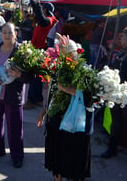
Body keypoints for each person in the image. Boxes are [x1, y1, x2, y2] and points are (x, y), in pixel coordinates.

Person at [36, 38, 93, 181]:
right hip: (57, 124)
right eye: (61, 52)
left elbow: (92, 98)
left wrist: (71, 91)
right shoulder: (56, 70)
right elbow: (52, 94)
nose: (65, 57)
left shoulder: (85, 72)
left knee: (75, 164)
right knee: (58, 163)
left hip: (76, 127)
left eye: (68, 53)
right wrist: (44, 112)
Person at [0, 22, 33, 168]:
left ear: (15, 34)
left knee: (15, 127)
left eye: (10, 32)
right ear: (0, 34)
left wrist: (19, 75)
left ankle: (17, 156)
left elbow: (31, 76)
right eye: (4, 32)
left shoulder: (21, 52)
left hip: (12, 95)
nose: (6, 35)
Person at [101, 24, 127, 168]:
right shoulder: (123, 52)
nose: (121, 39)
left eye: (123, 36)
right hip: (117, 93)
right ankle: (111, 149)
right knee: (116, 122)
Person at [25, 0, 58, 110]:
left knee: (33, 77)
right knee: (38, 77)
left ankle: (31, 100)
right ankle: (38, 99)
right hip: (38, 49)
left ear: (45, 10)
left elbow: (41, 18)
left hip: (40, 51)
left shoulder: (49, 20)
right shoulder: (47, 20)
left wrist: (35, 4)